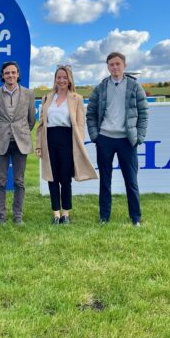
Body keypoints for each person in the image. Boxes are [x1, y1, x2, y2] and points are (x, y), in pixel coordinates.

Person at [86, 52, 148, 227]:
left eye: (118, 64)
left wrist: (139, 137)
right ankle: (104, 216)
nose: (115, 67)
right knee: (105, 180)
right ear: (107, 67)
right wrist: (95, 136)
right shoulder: (101, 88)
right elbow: (91, 113)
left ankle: (135, 218)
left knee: (131, 180)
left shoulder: (135, 87)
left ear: (124, 66)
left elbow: (143, 113)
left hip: (126, 140)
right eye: (111, 64)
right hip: (105, 139)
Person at [36, 66, 98, 224]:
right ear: (55, 79)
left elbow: (80, 125)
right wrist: (39, 146)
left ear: (69, 80)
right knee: (52, 178)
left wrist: (79, 145)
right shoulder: (46, 98)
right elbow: (41, 125)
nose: (62, 80)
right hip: (49, 141)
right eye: (59, 77)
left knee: (65, 179)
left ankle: (66, 214)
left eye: (65, 77)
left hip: (68, 142)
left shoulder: (77, 98)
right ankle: (56, 214)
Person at [0, 61, 36, 225]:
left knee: (19, 181)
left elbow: (31, 120)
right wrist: (2, 132)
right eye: (7, 73)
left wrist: (19, 132)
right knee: (0, 181)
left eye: (13, 72)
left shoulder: (29, 94)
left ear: (18, 74)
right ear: (2, 75)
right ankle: (1, 216)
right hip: (1, 141)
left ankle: (18, 216)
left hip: (20, 142)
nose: (10, 75)